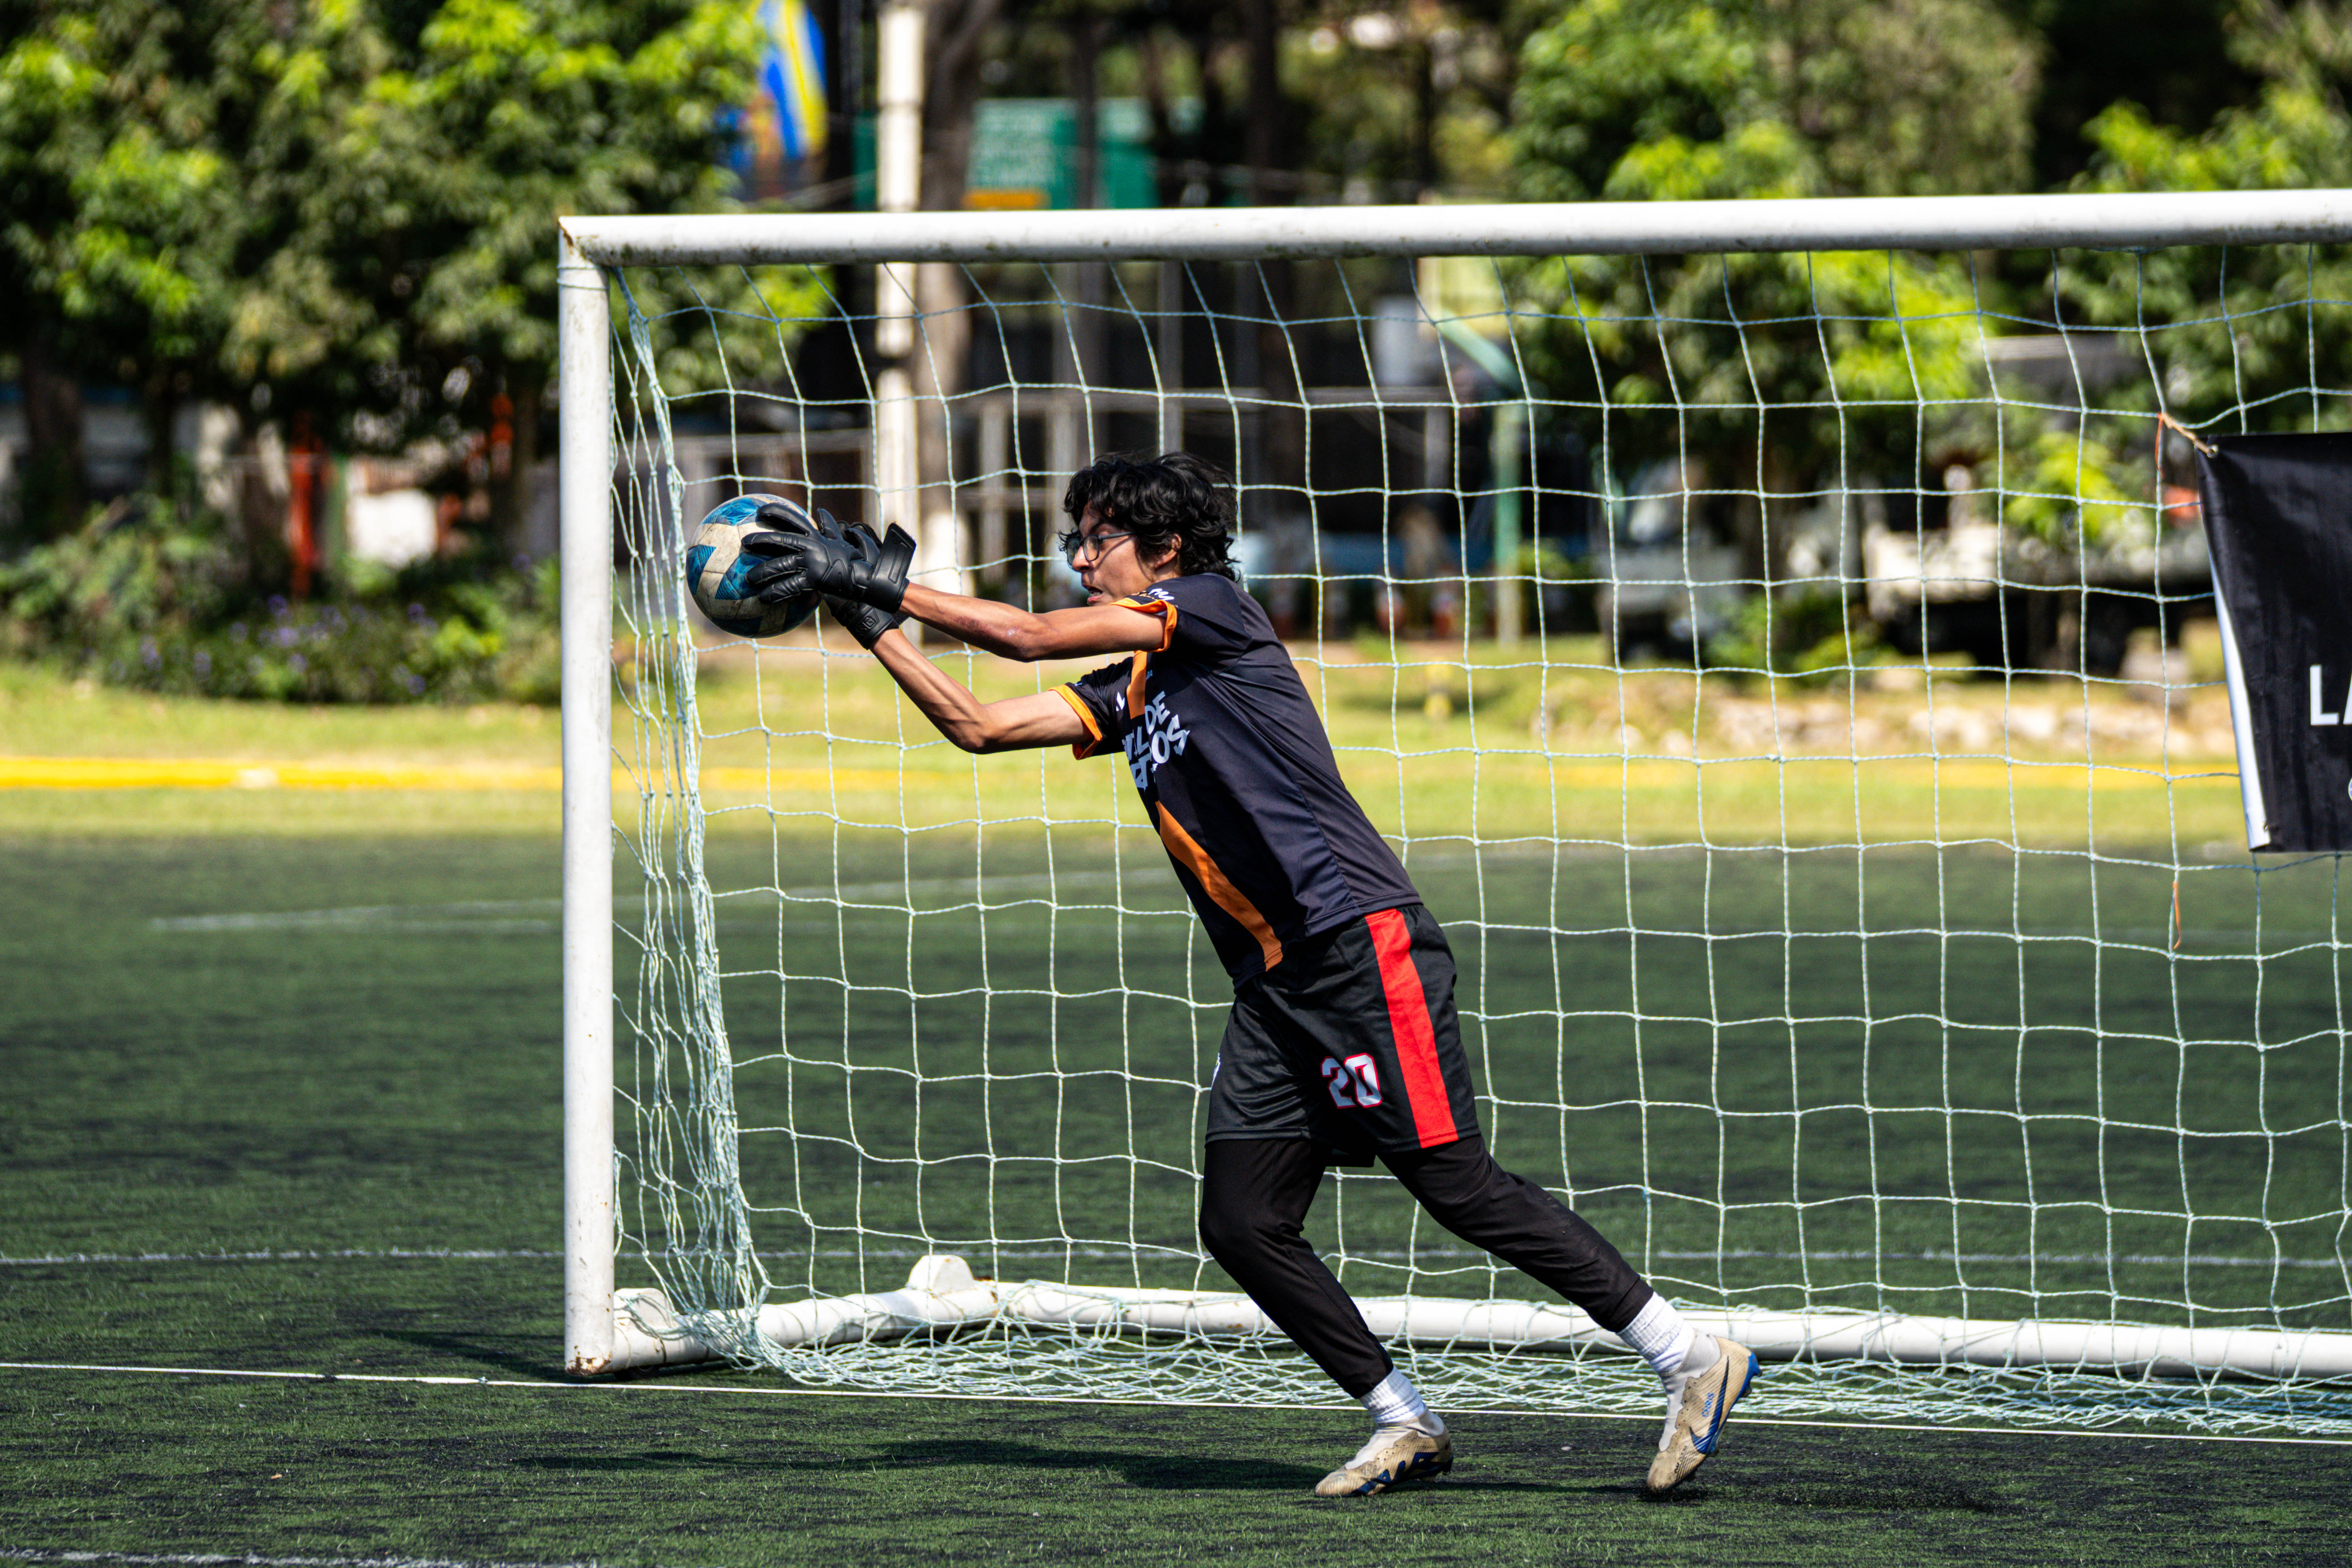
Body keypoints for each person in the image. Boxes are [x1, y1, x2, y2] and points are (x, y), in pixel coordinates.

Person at [738, 453, 1757, 1498]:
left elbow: (1026, 635)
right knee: (1241, 1220)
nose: (1081, 557)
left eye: (1100, 539)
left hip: (1359, 941)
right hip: (1275, 983)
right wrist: (874, 627)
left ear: (1166, 550)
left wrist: (872, 578)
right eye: (1075, 540)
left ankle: (1689, 1358)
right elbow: (980, 725)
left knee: (1455, 1184)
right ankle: (1402, 1419)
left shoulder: (1211, 609)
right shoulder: (1132, 685)